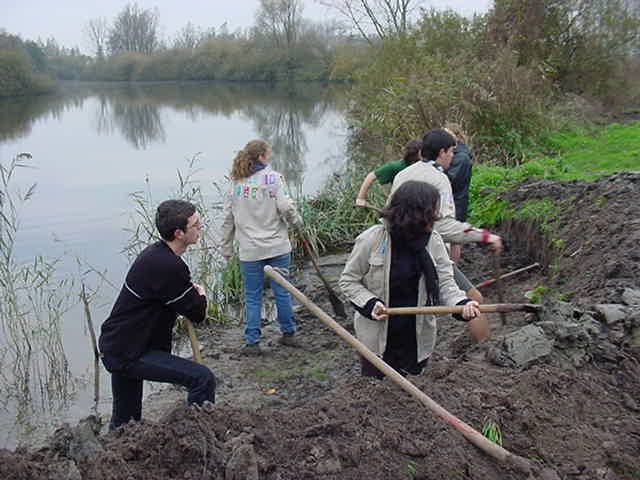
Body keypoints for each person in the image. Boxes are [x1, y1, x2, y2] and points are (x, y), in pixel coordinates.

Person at [339, 181, 485, 378]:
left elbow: (445, 282)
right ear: (417, 212)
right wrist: (369, 303)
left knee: (411, 393)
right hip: (377, 338)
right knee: (375, 393)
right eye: (433, 210)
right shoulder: (372, 240)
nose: (437, 216)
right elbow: (348, 281)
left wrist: (461, 304)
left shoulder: (433, 241)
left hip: (416, 337)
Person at [99, 199, 215, 431]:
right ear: (179, 233)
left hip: (119, 344)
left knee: (125, 423)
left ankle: (116, 454)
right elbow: (197, 313)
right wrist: (201, 296)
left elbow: (173, 296)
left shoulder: (156, 255)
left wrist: (187, 296)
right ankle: (200, 438)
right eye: (196, 225)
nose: (201, 228)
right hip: (129, 351)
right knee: (202, 379)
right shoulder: (168, 265)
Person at [390, 128, 501, 306]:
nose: (452, 156)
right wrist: (485, 236)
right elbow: (444, 227)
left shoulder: (402, 174)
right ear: (442, 152)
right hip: (424, 252)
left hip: (394, 252)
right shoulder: (439, 179)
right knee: (474, 299)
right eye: (451, 152)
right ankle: (486, 335)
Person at [221, 139, 302, 354]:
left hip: (250, 251)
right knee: (282, 291)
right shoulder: (274, 179)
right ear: (262, 157)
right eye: (268, 154)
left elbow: (227, 219)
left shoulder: (235, 183)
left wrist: (226, 248)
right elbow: (285, 207)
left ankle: (252, 342)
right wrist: (297, 222)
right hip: (277, 247)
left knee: (252, 295)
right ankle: (288, 333)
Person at [355, 139, 422, 207]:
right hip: (399, 206)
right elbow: (371, 176)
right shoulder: (396, 166)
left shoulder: (425, 166)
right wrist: (360, 198)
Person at [444, 122, 474, 264]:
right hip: (455, 200)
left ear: (455, 136)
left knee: (455, 239)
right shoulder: (457, 154)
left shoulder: (461, 158)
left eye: (447, 133)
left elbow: (451, 180)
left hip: (457, 201)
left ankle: (453, 270)